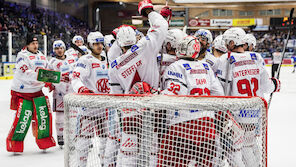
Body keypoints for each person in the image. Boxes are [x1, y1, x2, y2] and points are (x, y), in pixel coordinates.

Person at [108, 0, 168, 166]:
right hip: (153, 106)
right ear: (135, 38)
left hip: (129, 111)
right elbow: (161, 27)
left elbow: (116, 96)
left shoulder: (114, 65)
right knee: (154, 151)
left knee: (129, 152)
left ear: (119, 43)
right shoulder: (145, 46)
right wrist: (150, 13)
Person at [216, 27, 281, 167]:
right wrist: (275, 85)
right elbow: (266, 86)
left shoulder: (225, 59)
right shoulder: (255, 57)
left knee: (234, 151)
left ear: (233, 43)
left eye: (228, 42)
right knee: (249, 145)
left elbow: (220, 91)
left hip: (234, 115)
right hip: (254, 114)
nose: (226, 45)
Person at [160, 35, 224, 166]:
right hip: (207, 124)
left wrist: (156, 94)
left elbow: (176, 94)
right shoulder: (206, 66)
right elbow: (219, 93)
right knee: (204, 163)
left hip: (183, 124)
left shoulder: (175, 66)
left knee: (172, 163)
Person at [6, 34, 56, 153]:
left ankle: (45, 142)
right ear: (27, 44)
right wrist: (42, 78)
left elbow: (49, 70)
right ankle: (14, 144)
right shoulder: (22, 56)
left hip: (37, 91)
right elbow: (25, 72)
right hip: (23, 92)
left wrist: (50, 80)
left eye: (36, 43)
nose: (35, 45)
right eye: (33, 43)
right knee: (23, 119)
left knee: (44, 116)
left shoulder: (42, 56)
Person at [71, 31, 110, 167]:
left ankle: (105, 163)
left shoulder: (107, 58)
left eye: (101, 43)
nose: (99, 46)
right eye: (96, 43)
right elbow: (75, 77)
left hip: (104, 108)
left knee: (105, 140)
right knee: (83, 141)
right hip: (88, 108)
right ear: (90, 45)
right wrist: (82, 89)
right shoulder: (85, 60)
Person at [48, 40, 74, 148]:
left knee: (73, 116)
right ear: (54, 50)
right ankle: (60, 136)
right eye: (57, 48)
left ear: (64, 48)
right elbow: (46, 76)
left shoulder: (71, 60)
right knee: (59, 117)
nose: (59, 50)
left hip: (71, 92)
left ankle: (73, 137)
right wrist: (49, 83)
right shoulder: (51, 62)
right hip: (58, 93)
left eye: (61, 48)